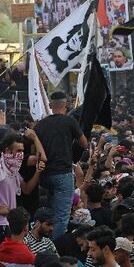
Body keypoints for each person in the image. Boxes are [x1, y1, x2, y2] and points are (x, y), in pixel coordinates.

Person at [0, 131, 45, 249]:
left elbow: (26, 189)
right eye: (18, 151)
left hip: (8, 224)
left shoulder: (13, 169)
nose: (21, 154)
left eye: (22, 151)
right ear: (7, 151)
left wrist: (38, 172)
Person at [35, 91, 88, 239]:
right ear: (66, 105)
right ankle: (57, 249)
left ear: (51, 106)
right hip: (62, 174)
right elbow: (84, 143)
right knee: (62, 216)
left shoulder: (40, 124)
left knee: (50, 213)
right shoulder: (69, 121)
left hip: (44, 174)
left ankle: (44, 242)